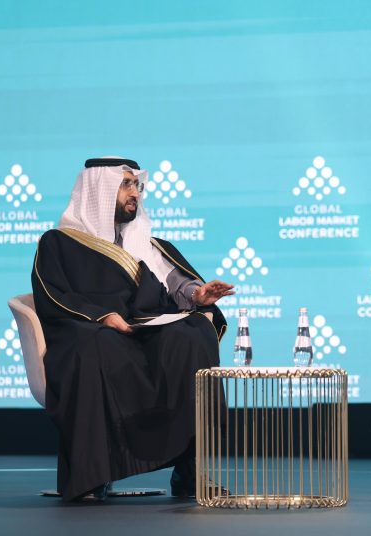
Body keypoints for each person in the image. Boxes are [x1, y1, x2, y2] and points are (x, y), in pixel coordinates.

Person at [31, 157, 234, 502]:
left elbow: (175, 285)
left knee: (192, 334)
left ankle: (189, 470)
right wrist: (102, 316)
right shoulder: (59, 243)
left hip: (144, 328)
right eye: (125, 184)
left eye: (137, 185)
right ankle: (91, 476)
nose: (135, 193)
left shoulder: (147, 245)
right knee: (94, 344)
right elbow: (52, 293)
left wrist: (197, 295)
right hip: (94, 329)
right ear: (99, 190)